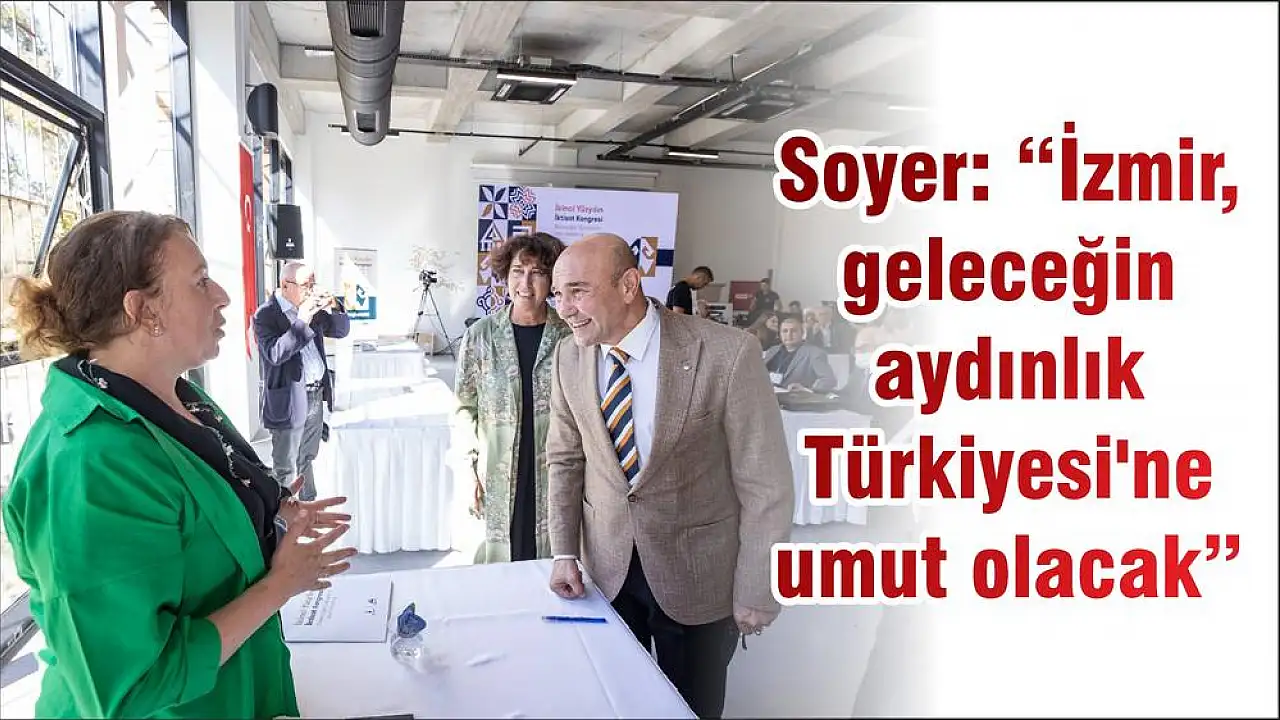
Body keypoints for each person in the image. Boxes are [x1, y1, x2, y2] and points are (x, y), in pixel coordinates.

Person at [2, 210, 356, 719]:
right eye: (200, 281)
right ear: (143, 310)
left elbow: (209, 498)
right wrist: (280, 585)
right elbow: (132, 687)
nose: (222, 296)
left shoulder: (174, 397)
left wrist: (275, 511)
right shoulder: (87, 464)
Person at [544, 233, 793, 719]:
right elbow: (564, 461)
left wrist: (757, 585)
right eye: (558, 294)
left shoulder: (727, 353)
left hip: (698, 578)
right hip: (607, 574)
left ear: (628, 285)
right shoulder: (568, 357)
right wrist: (564, 553)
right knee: (617, 703)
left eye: (577, 291)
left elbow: (766, 484)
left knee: (692, 708)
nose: (564, 309)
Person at [453, 232, 573, 563]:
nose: (526, 283)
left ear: (553, 281)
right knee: (499, 565)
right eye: (518, 271)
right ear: (506, 275)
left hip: (553, 471)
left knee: (550, 563)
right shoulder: (481, 336)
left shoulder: (569, 337)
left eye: (538, 273)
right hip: (497, 471)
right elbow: (464, 407)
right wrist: (468, 469)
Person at [253, 260, 351, 501]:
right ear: (286, 285)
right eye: (306, 285)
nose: (311, 290)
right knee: (285, 465)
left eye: (313, 283)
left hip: (315, 395)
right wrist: (302, 320)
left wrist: (335, 304)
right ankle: (284, 515)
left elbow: (340, 331)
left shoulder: (311, 309)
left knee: (307, 457)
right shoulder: (265, 315)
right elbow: (275, 354)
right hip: (288, 399)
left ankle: (308, 506)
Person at [763, 315, 839, 392]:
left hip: (794, 397)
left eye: (794, 331)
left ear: (802, 333)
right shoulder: (772, 351)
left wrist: (806, 390)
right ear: (780, 334)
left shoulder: (814, 353)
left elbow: (829, 380)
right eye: (785, 331)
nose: (789, 335)